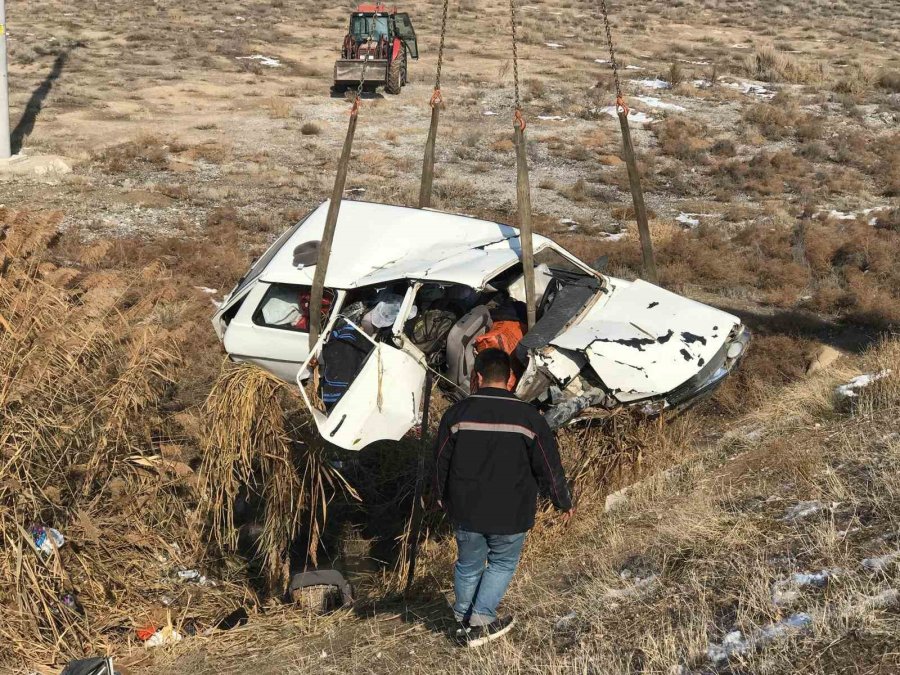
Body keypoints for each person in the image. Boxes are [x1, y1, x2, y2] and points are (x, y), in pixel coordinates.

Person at [433, 348, 573, 648]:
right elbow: (549, 464)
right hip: (512, 511)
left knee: (468, 565)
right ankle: (480, 620)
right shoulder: (528, 417)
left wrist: (439, 496)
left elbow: (439, 461)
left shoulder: (455, 415)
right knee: (501, 564)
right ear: (510, 379)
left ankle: (462, 619)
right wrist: (562, 500)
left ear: (477, 376)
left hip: (465, 508)